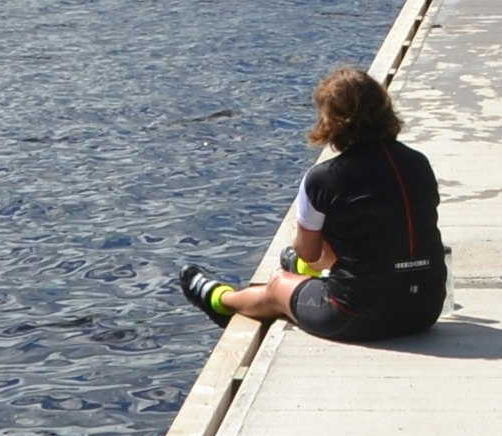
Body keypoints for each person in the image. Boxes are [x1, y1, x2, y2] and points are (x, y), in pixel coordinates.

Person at [172, 67, 449, 342]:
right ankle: (306, 274)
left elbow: (307, 251)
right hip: (425, 309)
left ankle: (221, 301)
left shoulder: (322, 178)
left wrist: (301, 236)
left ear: (330, 119)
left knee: (278, 285)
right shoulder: (419, 163)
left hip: (355, 316)